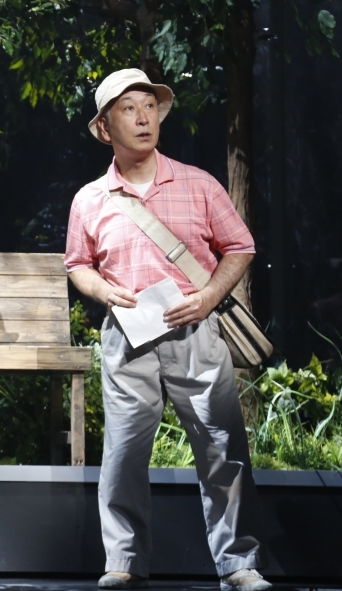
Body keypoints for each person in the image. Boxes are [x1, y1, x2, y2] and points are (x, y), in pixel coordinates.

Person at [65, 69, 270, 591]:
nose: (143, 117)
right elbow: (77, 264)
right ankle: (125, 564)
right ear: (105, 127)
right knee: (124, 451)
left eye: (149, 106)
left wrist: (207, 296)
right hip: (128, 337)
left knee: (223, 446)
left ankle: (238, 564)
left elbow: (240, 246)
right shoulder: (90, 198)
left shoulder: (197, 182)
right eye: (128, 109)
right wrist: (101, 291)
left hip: (194, 331)